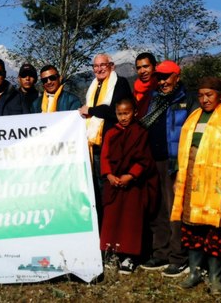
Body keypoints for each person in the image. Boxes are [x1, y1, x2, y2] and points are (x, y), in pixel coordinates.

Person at [171, 77, 221, 295]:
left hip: (218, 180)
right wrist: (178, 177)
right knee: (192, 226)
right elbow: (183, 149)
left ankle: (215, 278)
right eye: (201, 95)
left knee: (216, 228)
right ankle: (195, 273)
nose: (204, 100)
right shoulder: (193, 118)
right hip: (191, 179)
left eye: (209, 95)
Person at [139, 60, 196, 277]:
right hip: (153, 160)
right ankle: (160, 253)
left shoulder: (187, 100)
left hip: (175, 162)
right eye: (159, 78)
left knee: (174, 209)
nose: (162, 82)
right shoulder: (154, 100)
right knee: (157, 208)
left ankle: (178, 257)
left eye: (166, 77)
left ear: (177, 77)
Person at [99, 98, 158, 274]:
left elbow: (144, 159)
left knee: (131, 220)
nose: (123, 117)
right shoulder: (111, 132)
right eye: (119, 114)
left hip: (133, 185)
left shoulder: (140, 132)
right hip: (113, 182)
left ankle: (130, 257)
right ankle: (112, 253)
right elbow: (104, 156)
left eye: (127, 113)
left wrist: (131, 176)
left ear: (135, 113)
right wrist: (108, 174)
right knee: (111, 218)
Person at [79, 53, 132, 195]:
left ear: (111, 66)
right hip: (95, 145)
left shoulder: (120, 83)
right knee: (97, 184)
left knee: (112, 185)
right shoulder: (93, 87)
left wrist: (90, 110)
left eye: (103, 65)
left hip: (113, 144)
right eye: (96, 66)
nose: (99, 69)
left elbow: (115, 110)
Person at [133, 52, 158, 118]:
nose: (142, 71)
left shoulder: (162, 87)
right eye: (139, 68)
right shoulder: (135, 92)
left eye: (146, 66)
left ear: (155, 66)